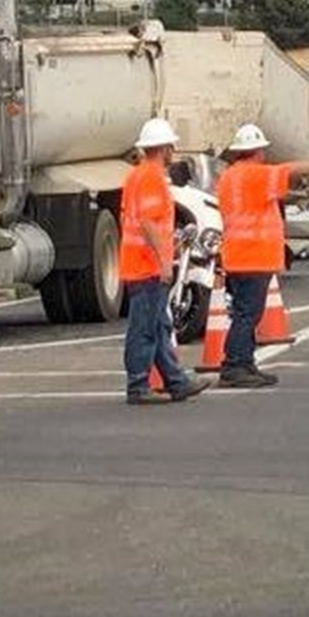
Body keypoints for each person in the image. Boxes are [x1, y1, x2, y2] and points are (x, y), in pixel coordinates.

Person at [214, 124, 309, 389]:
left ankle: (243, 363)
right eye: (262, 150)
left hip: (237, 254)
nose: (265, 154)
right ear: (256, 152)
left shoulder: (230, 176)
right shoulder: (256, 175)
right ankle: (235, 366)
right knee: (247, 315)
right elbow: (289, 170)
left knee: (243, 312)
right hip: (254, 255)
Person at [120, 119, 201, 405]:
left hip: (138, 262)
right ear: (164, 148)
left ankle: (176, 382)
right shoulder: (152, 177)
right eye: (171, 147)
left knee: (158, 325)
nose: (173, 151)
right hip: (146, 265)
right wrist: (165, 261)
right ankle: (138, 385)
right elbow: (148, 222)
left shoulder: (137, 176)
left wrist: (170, 245)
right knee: (145, 326)